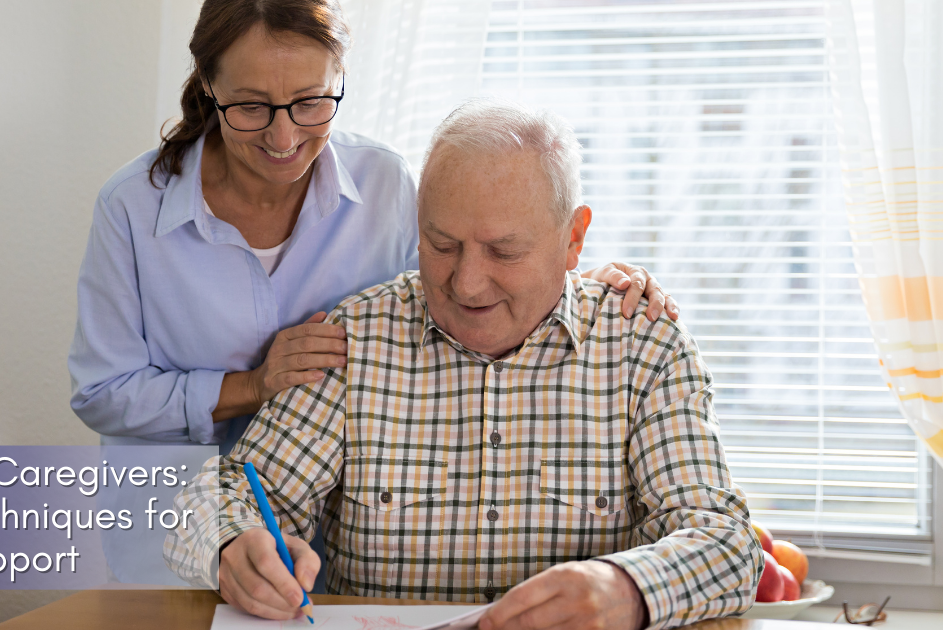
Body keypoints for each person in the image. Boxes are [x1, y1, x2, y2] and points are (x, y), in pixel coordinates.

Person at [164, 100, 760, 630]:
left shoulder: (643, 348)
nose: (467, 284)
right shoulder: (356, 339)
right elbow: (216, 496)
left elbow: (727, 544)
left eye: (505, 251)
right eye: (441, 244)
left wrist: (627, 591)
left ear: (573, 238)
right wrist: (232, 544)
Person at [67, 0, 679, 453]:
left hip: (336, 532)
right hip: (178, 526)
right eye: (251, 106)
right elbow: (102, 394)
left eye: (311, 101)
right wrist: (253, 384)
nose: (284, 139)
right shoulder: (132, 207)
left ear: (339, 79)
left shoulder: (385, 182)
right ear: (208, 83)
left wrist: (567, 277)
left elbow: (454, 299)